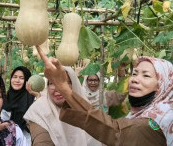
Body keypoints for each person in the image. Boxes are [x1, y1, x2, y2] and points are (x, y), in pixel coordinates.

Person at [36, 45, 171, 146]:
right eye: (134, 73)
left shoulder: (157, 121)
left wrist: (63, 87)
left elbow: (114, 130)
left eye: (146, 75)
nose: (135, 79)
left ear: (162, 84)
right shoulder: (146, 113)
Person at [24, 66, 102, 146]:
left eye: (64, 82)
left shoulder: (85, 110)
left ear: (74, 85)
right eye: (52, 83)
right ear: (48, 86)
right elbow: (41, 139)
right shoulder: (39, 109)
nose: (57, 88)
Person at [1, 66, 38, 145]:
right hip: (6, 139)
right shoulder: (5, 97)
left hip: (27, 140)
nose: (17, 80)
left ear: (27, 81)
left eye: (21, 78)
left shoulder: (32, 98)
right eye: (15, 77)